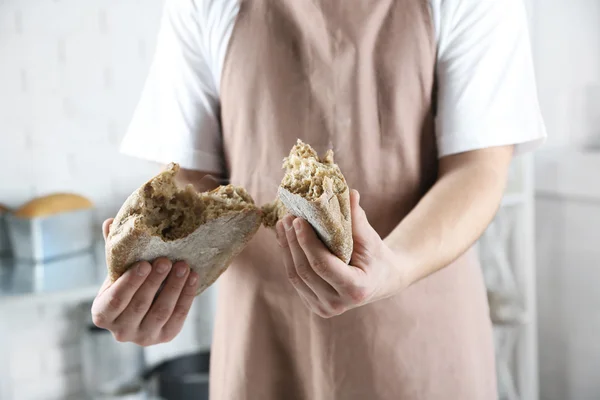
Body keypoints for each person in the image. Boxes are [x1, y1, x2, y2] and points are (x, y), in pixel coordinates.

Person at [91, 0, 546, 398]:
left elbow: (477, 168)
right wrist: (151, 285)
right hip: (261, 334)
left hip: (417, 324)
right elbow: (188, 177)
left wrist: (396, 267)